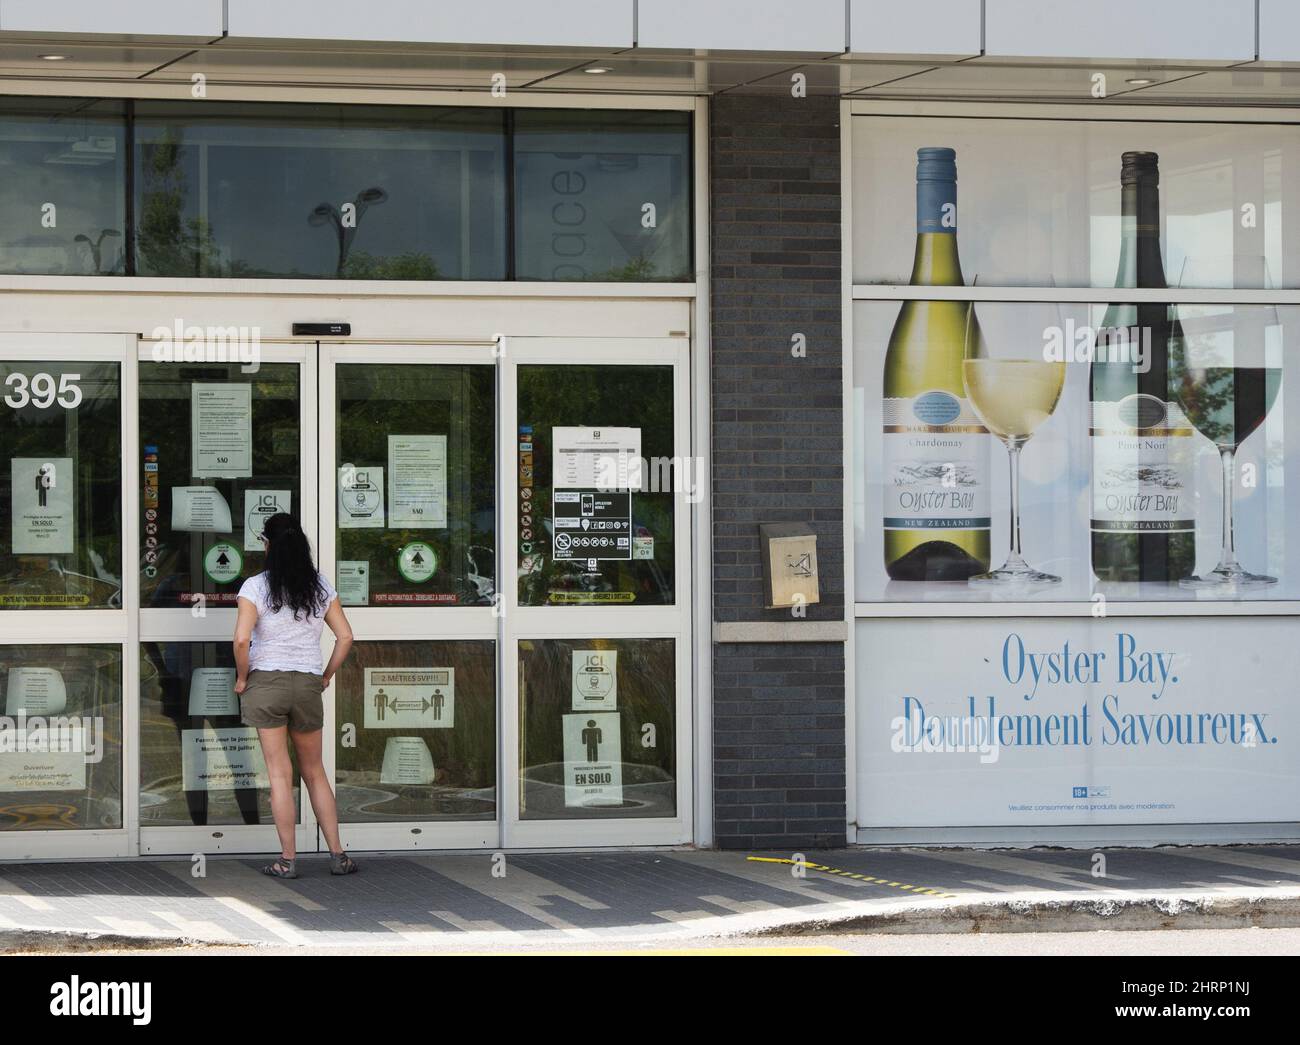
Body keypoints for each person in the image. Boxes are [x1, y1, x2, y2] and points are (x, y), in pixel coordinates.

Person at [233, 512, 357, 878]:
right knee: (315, 772)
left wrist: (243, 678)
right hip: (306, 683)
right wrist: (326, 675)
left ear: (267, 545)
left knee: (278, 775)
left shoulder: (255, 587)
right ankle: (338, 856)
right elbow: (346, 637)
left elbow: (241, 639)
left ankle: (287, 861)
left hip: (266, 682)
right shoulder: (319, 587)